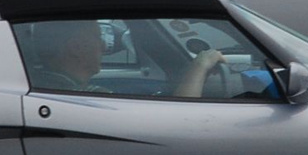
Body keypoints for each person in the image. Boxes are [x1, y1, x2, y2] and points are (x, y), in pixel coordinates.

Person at [28, 19, 225, 97]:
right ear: (76, 48)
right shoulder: (90, 97)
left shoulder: (41, 84)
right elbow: (184, 123)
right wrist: (199, 66)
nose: (104, 46)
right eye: (98, 38)